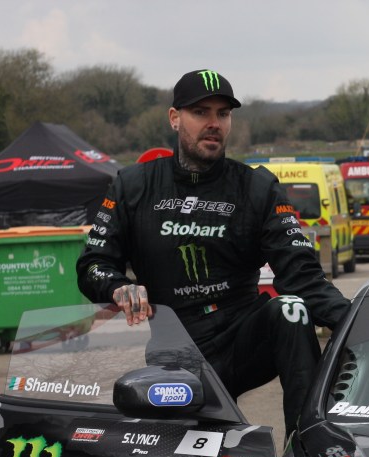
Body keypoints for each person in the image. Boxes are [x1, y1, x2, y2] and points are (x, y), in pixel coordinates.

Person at [75, 69, 350, 437]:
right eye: (201, 112)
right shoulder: (132, 185)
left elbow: (301, 273)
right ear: (175, 118)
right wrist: (116, 286)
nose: (213, 123)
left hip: (243, 342)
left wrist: (354, 323)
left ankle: (305, 450)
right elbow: (92, 262)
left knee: (291, 310)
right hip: (176, 354)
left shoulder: (257, 187)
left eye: (223, 114)